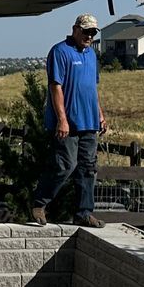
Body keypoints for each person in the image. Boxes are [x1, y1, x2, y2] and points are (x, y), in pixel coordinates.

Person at [30, 12, 107, 228]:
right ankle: (39, 203)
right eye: (86, 31)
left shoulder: (91, 55)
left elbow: (92, 88)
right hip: (69, 122)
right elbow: (56, 87)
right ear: (75, 29)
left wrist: (99, 113)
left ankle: (84, 212)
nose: (90, 36)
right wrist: (62, 120)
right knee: (64, 165)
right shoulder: (60, 52)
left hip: (89, 121)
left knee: (88, 168)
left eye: (93, 32)